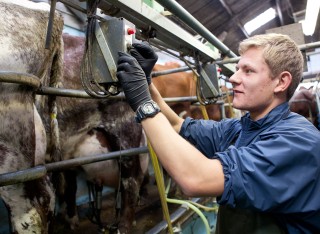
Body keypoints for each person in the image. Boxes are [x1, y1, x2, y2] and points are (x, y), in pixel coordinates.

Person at [116, 33, 320, 233]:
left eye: (248, 71)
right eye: (237, 68)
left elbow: (196, 179)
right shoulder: (239, 128)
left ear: (281, 82)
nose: (233, 78)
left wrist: (143, 105)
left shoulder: (297, 141)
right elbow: (176, 125)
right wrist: (146, 82)